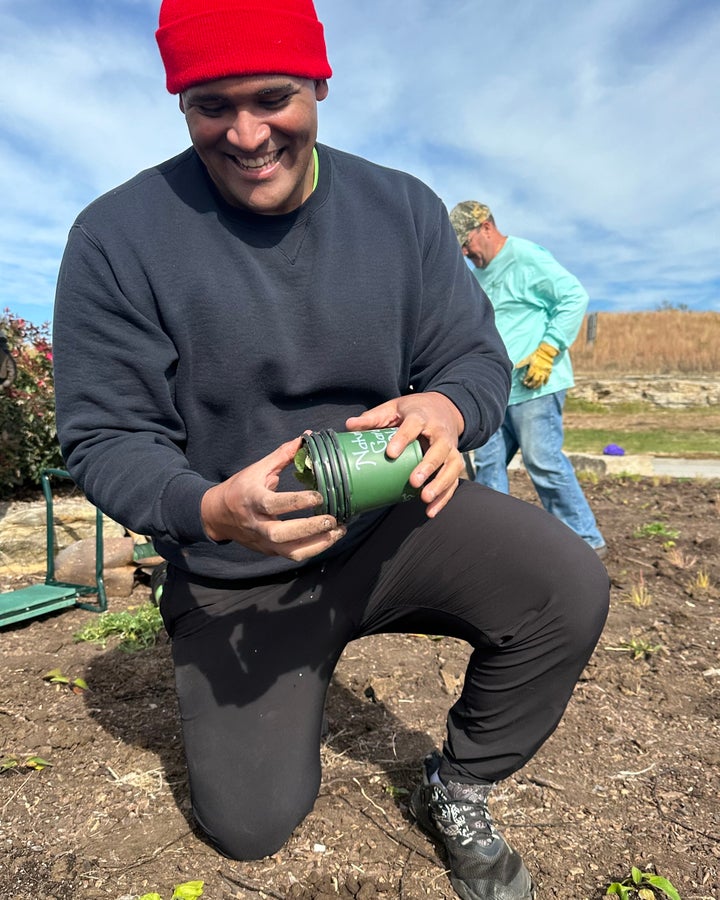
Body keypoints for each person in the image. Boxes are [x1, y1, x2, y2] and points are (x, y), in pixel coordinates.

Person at [52, 3, 609, 898]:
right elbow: (106, 434)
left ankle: (456, 784)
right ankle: (264, 662)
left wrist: (449, 407)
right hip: (238, 568)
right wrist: (209, 510)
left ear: (318, 83)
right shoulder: (118, 237)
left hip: (395, 527)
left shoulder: (402, 210)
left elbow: (474, 358)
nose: (246, 135)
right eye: (211, 105)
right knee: (251, 827)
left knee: (566, 587)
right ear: (180, 103)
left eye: (272, 97)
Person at [449, 201, 607, 557]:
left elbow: (573, 296)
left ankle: (587, 540)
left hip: (535, 385)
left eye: (466, 243)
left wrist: (548, 350)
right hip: (495, 390)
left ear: (486, 227)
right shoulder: (476, 276)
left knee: (542, 461)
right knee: (488, 467)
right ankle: (496, 544)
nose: (465, 253)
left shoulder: (525, 256)